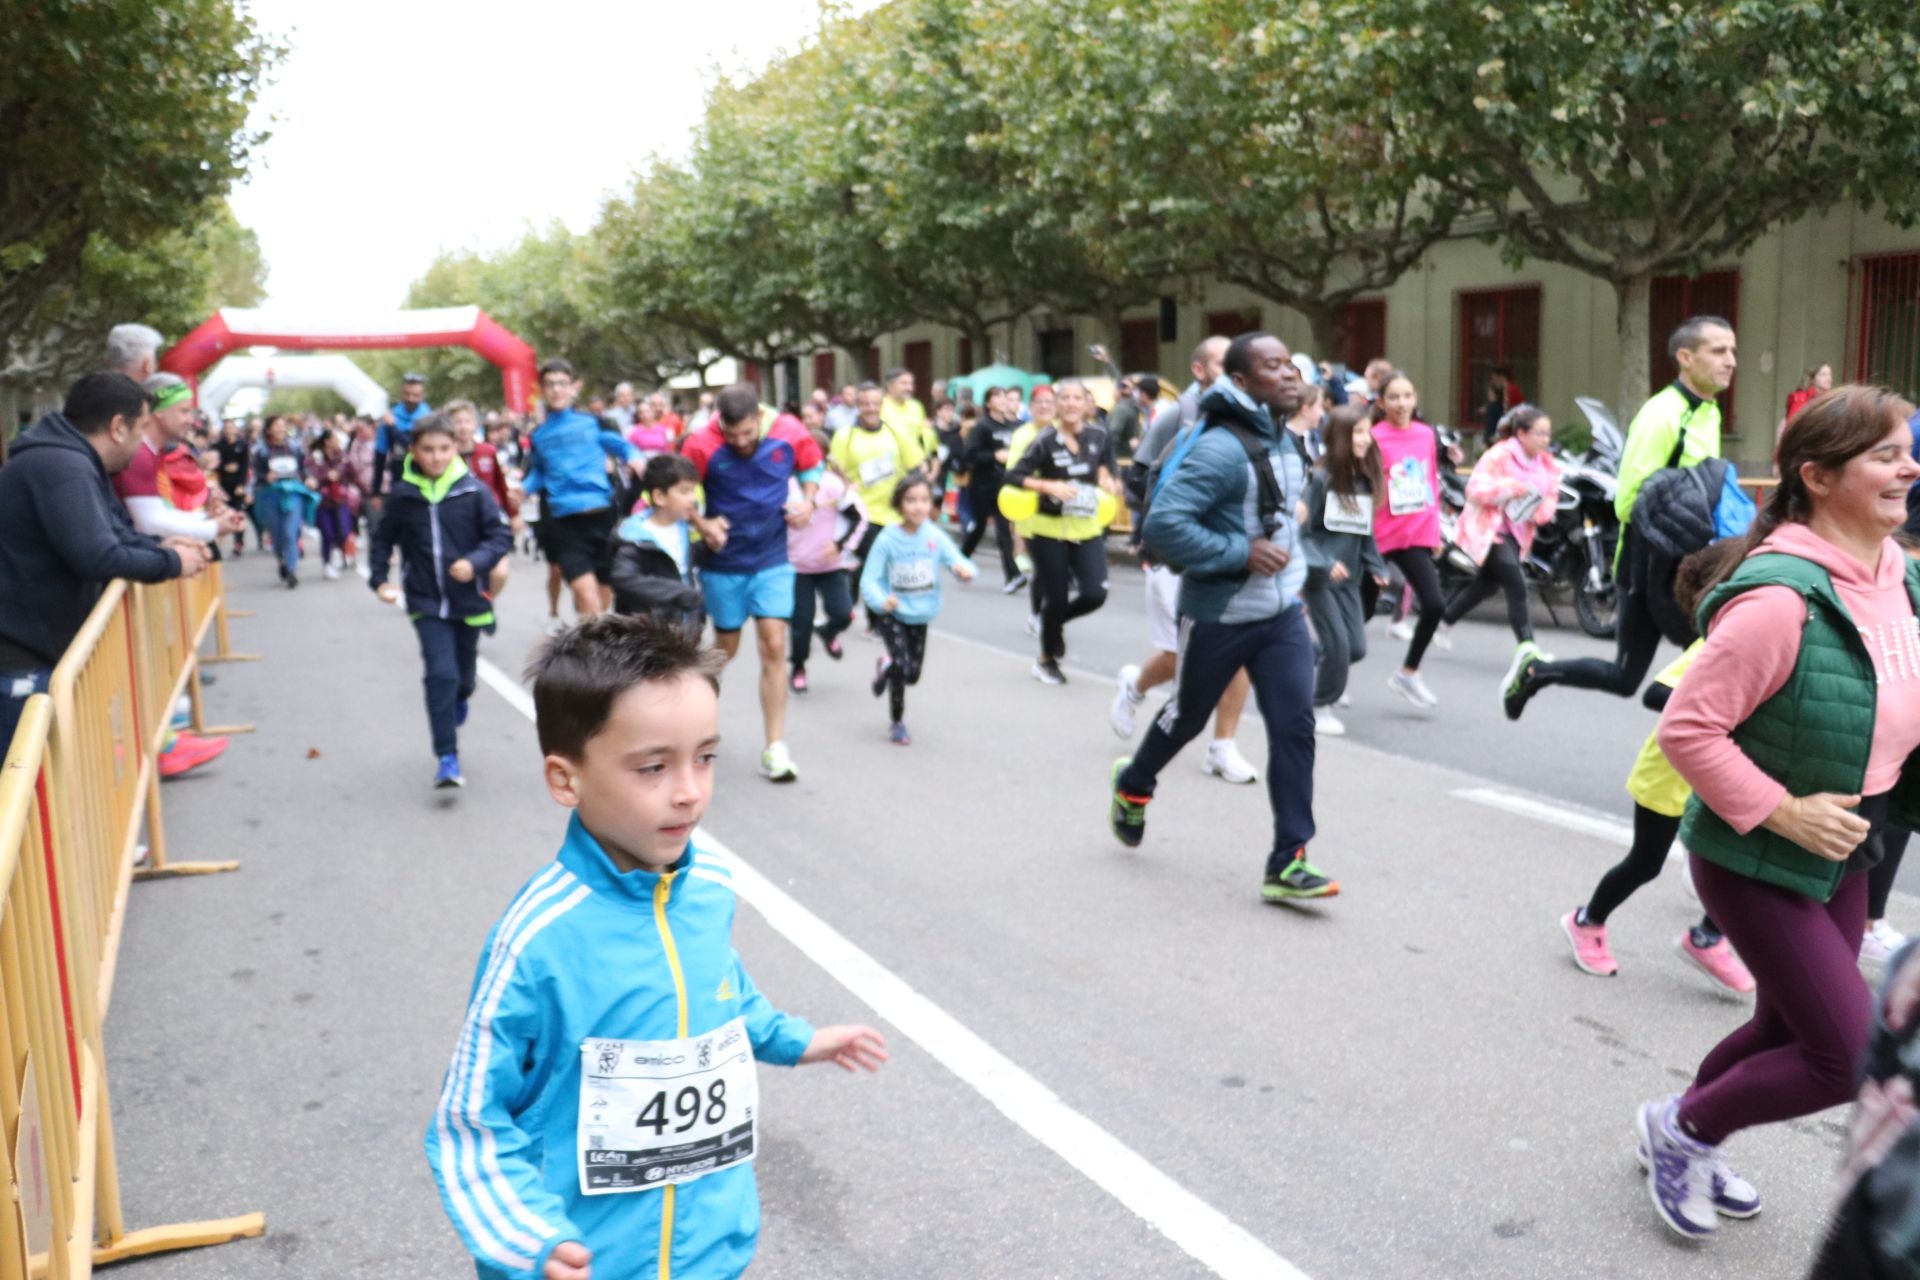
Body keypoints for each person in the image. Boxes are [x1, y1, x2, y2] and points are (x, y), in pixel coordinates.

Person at [424, 615, 887, 1280]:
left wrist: (796, 1040)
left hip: (710, 1254)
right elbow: (469, 1123)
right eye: (652, 767)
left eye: (705, 757)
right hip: (589, 1263)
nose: (689, 791)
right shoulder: (537, 941)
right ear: (566, 780)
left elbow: (721, 992)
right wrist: (529, 1240)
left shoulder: (710, 890)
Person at [1635, 385, 1920, 1241]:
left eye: (1906, 449)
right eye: (1885, 454)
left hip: (1848, 843)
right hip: (1757, 854)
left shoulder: (1899, 574)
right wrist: (1784, 811)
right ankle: (1687, 1135)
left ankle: (1675, 1122)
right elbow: (1688, 729)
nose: (1910, 466)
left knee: (1780, 1023)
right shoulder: (1779, 600)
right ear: (1819, 477)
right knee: (1843, 1056)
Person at [1108, 333, 1336, 902]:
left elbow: (1274, 515)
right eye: (1272, 366)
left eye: (1290, 364)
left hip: (1279, 612)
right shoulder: (1220, 447)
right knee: (1186, 717)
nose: (1289, 375)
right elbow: (1164, 526)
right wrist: (1241, 554)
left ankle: (1287, 861)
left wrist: (1294, 569)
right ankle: (1134, 784)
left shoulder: (1284, 437)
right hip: (1221, 612)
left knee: (1294, 727)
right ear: (1240, 382)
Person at [1505, 316, 1738, 718]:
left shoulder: (1709, 412)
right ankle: (1536, 671)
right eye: (1719, 351)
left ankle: (1537, 672)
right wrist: (1684, 514)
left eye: (1733, 350)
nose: (1731, 360)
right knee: (1688, 664)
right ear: (1685, 357)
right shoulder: (1661, 415)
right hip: (1647, 567)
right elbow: (1628, 501)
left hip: (1687, 564)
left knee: (1694, 662)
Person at [1558, 537, 1754, 994]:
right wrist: (1724, 710)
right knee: (1645, 864)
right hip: (1668, 777)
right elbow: (1656, 693)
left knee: (1737, 863)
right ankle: (1586, 921)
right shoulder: (1715, 646)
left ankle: (1707, 936)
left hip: (1714, 781)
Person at [0, 373, 211, 747]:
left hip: (35, 650)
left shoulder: (74, 461)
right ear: (117, 427)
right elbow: (98, 555)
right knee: (26, 791)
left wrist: (160, 547)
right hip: (20, 660)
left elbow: (116, 531)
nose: (142, 440)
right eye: (141, 427)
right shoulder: (63, 468)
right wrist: (172, 563)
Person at [1113, 338, 1259, 781]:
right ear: (1200, 370)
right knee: (1181, 656)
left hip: (1232, 559)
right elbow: (1139, 479)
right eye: (1222, 362)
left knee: (1240, 652)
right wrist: (1177, 523)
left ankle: (1223, 745)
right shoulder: (1179, 415)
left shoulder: (1259, 422)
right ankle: (1136, 686)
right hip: (1179, 557)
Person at [681, 383, 824, 783]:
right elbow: (680, 492)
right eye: (733, 435)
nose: (742, 442)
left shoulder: (790, 431)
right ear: (720, 425)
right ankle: (690, 725)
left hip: (772, 558)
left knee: (774, 644)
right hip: (724, 562)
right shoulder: (700, 443)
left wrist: (808, 501)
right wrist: (702, 523)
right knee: (725, 651)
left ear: (759, 419)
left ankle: (774, 747)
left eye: (748, 433)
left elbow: (812, 466)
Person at [368, 412, 513, 790]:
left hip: (467, 600)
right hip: (424, 600)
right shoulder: (403, 494)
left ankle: (459, 700)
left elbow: (499, 538)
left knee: (463, 679)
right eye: (428, 449)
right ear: (414, 450)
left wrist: (475, 562)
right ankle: (447, 757)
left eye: (444, 449)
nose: (435, 457)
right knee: (441, 674)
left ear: (456, 448)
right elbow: (382, 539)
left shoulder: (473, 490)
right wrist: (380, 580)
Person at [1004, 379, 1118, 685]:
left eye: (1076, 398)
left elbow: (1105, 466)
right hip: (1048, 529)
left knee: (1095, 593)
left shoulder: (1099, 435)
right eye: (1064, 398)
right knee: (1055, 595)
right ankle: (1046, 659)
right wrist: (1047, 485)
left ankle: (1051, 624)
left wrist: (1107, 480)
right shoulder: (1044, 440)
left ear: (1086, 403)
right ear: (1056, 404)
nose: (1070, 404)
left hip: (1086, 526)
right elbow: (1014, 475)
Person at [1443, 404, 1560, 690]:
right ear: (1521, 434)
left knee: (1486, 585)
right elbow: (1475, 489)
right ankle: (1528, 649)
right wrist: (1510, 488)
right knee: (1517, 586)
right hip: (1491, 531)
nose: (1545, 440)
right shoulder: (1499, 456)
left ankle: (1442, 620)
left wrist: (1541, 510)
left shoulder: (1547, 464)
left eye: (1548, 434)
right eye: (1539, 434)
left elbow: (1550, 498)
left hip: (1519, 535)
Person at [855, 472, 975, 744]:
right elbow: (869, 579)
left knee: (912, 674)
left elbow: (958, 561)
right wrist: (880, 600)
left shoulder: (934, 536)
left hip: (920, 614)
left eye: (923, 500)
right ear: (899, 504)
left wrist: (963, 572)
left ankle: (885, 667)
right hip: (892, 613)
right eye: (911, 500)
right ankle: (897, 722)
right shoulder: (887, 539)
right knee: (902, 665)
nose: (918, 506)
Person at [521, 358, 642, 622]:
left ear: (574, 387)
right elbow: (539, 472)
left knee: (604, 596)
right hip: (565, 524)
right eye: (550, 384)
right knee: (587, 597)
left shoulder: (593, 423)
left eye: (562, 384)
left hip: (602, 517)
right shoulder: (538, 435)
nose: (556, 390)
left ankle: (591, 638)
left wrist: (636, 458)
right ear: (541, 390)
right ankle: (595, 654)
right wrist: (522, 489)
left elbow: (623, 447)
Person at [1300, 404, 1389, 736]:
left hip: (1351, 579)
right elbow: (1300, 533)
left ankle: (1303, 663)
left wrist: (1376, 566)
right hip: (1319, 580)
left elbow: (1363, 534)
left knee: (1354, 648)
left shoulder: (1363, 482)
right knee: (1337, 645)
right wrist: (1323, 563)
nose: (1366, 439)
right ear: (1340, 437)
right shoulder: (1320, 480)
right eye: (1358, 432)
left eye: (1368, 431)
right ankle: (1318, 705)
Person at [1371, 371, 1448, 709]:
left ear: (1415, 398)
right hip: (1378, 534)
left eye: (1407, 396)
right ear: (1381, 402)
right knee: (1357, 612)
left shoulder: (1425, 434)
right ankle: (1331, 676)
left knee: (1434, 605)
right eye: (1393, 397)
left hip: (1415, 533)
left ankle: (1408, 672)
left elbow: (1430, 481)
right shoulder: (1373, 437)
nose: (1401, 404)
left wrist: (1434, 531)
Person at [829, 382, 926, 627]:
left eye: (876, 403)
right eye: (865, 404)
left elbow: (916, 465)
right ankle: (877, 621)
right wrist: (845, 486)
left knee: (894, 567)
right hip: (863, 515)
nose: (871, 409)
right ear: (857, 406)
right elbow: (833, 474)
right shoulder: (845, 436)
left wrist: (916, 494)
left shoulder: (896, 432)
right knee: (878, 565)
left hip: (894, 514)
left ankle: (880, 610)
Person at [113, 374, 245, 548]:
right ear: (159, 411)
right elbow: (149, 523)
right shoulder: (140, 453)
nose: (191, 420)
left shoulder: (151, 451)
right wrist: (214, 528)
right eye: (184, 411)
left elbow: (161, 512)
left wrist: (206, 518)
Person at [786, 451, 864, 694]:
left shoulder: (831, 485)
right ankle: (798, 666)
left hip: (829, 564)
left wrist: (840, 545)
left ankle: (828, 631)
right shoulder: (784, 485)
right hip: (797, 567)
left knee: (843, 613)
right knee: (801, 624)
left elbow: (856, 516)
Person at [608, 453, 704, 634]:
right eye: (684, 491)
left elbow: (682, 564)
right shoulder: (634, 537)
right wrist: (680, 593)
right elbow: (623, 578)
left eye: (693, 490)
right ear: (659, 496)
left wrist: (712, 545)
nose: (693, 498)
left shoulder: (683, 528)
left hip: (682, 629)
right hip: (646, 636)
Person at [449, 399, 519, 598]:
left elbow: (500, 485)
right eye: (457, 421)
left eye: (467, 421)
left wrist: (513, 514)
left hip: (490, 519)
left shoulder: (487, 451)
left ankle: (486, 603)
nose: (463, 426)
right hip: (458, 522)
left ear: (475, 424)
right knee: (462, 573)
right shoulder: (445, 455)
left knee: (500, 572)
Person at [961, 386, 1022, 588]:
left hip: (1003, 485)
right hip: (982, 484)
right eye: (997, 397)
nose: (1003, 400)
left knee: (1003, 528)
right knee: (979, 526)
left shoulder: (1013, 426)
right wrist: (993, 456)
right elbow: (969, 455)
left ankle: (1012, 575)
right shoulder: (983, 427)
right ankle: (961, 558)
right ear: (988, 403)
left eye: (1005, 397)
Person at [252, 414, 315, 588]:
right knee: (277, 534)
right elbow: (255, 475)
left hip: (293, 493)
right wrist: (266, 477)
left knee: (290, 532)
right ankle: (282, 560)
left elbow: (304, 469)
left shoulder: (295, 448)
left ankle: (291, 569)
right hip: (271, 495)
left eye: (283, 425)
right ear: (269, 429)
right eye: (276, 425)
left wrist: (308, 479)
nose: (280, 428)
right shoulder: (261, 451)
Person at [306, 430, 360, 580]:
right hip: (322, 502)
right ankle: (327, 563)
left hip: (341, 500)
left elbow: (353, 475)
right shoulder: (315, 458)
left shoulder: (343, 457)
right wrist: (325, 477)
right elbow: (310, 476)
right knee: (327, 533)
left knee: (343, 531)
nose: (338, 442)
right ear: (327, 441)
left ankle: (339, 552)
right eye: (335, 439)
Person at [372, 372, 432, 503]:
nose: (410, 398)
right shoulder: (391, 415)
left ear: (422, 396)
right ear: (402, 394)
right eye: (407, 394)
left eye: (415, 395)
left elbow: (412, 448)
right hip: (398, 482)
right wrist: (375, 492)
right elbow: (380, 457)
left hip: (423, 483)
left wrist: (393, 427)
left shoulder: (428, 418)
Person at [215, 419, 254, 555]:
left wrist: (241, 484)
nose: (229, 430)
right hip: (223, 484)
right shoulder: (218, 445)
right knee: (222, 513)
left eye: (232, 427)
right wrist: (224, 467)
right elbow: (214, 464)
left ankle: (238, 541)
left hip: (237, 484)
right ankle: (218, 542)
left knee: (238, 513)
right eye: (226, 427)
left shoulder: (242, 445)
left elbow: (245, 466)